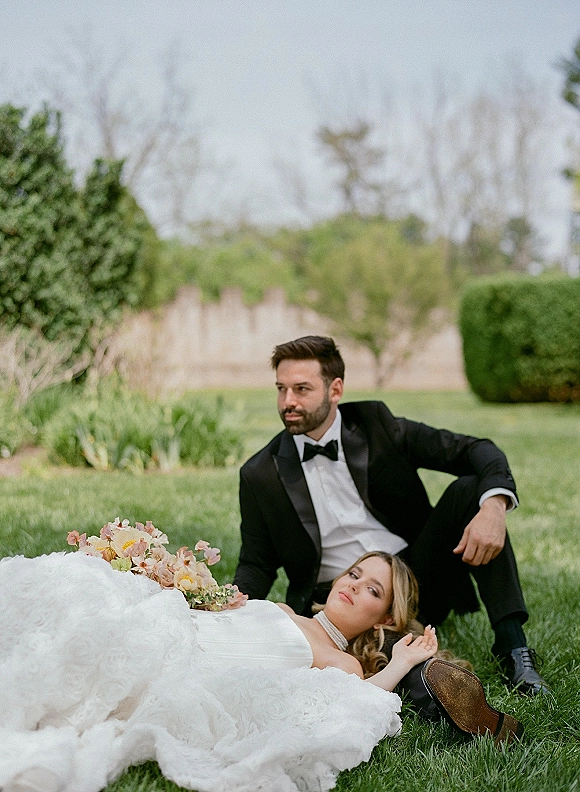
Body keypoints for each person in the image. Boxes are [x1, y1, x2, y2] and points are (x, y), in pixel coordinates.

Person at [0, 548, 520, 792]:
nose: (353, 585)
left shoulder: (339, 660)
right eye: (355, 573)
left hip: (186, 662)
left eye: (372, 590)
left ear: (384, 617)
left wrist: (404, 662)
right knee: (72, 594)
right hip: (179, 626)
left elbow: (361, 700)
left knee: (88, 663)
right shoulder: (287, 610)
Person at [233, 335, 550, 710]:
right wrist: (230, 603)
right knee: (380, 657)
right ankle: (435, 692)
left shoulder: (377, 426)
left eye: (302, 389)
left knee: (469, 492)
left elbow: (474, 450)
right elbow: (256, 562)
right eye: (281, 389)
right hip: (342, 605)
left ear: (335, 389)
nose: (288, 402)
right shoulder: (260, 473)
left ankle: (513, 648)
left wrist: (495, 506)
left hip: (415, 579)